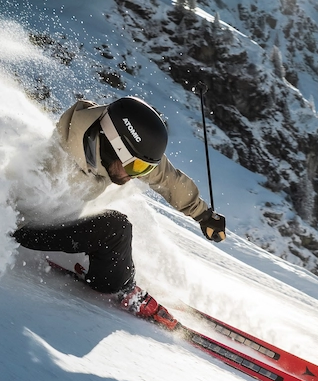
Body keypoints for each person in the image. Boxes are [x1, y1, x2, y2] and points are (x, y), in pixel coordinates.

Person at [13, 94, 227, 324]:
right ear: (114, 146)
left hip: (62, 218)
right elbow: (8, 207)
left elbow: (166, 177)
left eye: (145, 169)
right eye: (137, 167)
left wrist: (203, 215)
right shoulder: (55, 163)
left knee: (114, 227)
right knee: (115, 229)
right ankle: (121, 287)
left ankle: (95, 262)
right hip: (27, 226)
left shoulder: (117, 151)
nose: (137, 175)